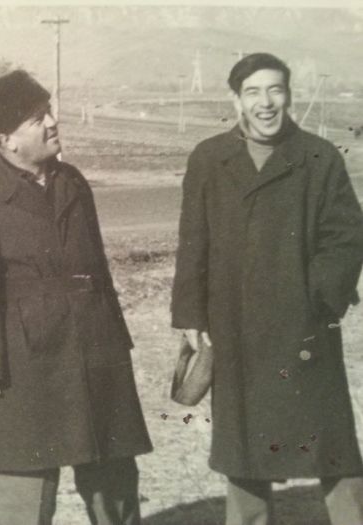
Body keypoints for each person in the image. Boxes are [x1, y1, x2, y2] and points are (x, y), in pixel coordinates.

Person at [0, 70, 152, 525]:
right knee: (24, 487)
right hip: (26, 365)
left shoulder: (73, 182)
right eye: (38, 118)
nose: (53, 122)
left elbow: (98, 268)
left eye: (50, 112)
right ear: (7, 140)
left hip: (95, 351)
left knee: (114, 479)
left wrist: (115, 341)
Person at [171, 52, 363, 525]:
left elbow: (346, 238)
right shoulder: (209, 158)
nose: (266, 103)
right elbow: (193, 240)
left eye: (275, 90)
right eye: (253, 92)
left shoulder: (319, 157)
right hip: (235, 327)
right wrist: (190, 313)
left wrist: (315, 297)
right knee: (243, 447)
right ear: (236, 100)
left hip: (305, 328)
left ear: (289, 96)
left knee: (332, 444)